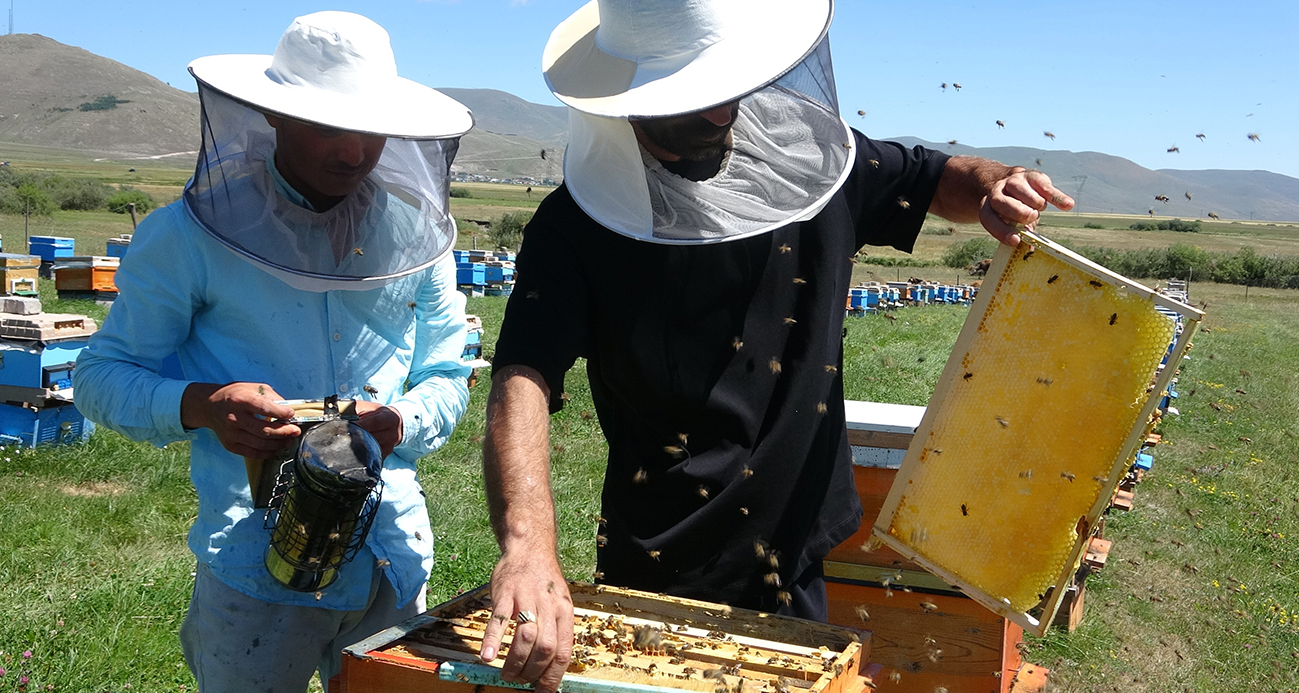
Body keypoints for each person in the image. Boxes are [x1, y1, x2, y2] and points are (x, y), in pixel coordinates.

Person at [478, 1, 1076, 692]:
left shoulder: (809, 157)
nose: (720, 114)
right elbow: (522, 374)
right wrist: (527, 546)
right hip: (663, 551)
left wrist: (992, 186)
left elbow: (932, 177)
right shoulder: (573, 226)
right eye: (694, 96)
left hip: (799, 540)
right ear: (630, 98)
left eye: (728, 85)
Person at [74, 12, 475, 692]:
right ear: (274, 116)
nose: (354, 152)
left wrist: (402, 420)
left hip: (391, 559)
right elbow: (99, 376)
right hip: (253, 569)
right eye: (327, 127)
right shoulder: (187, 237)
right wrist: (202, 404)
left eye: (372, 129)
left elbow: (446, 371)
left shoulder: (415, 238)